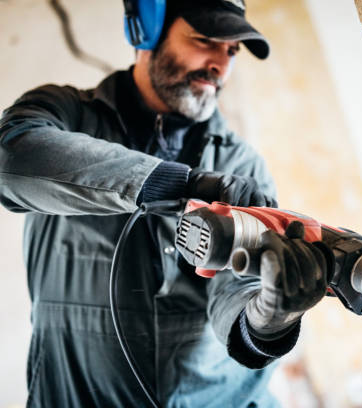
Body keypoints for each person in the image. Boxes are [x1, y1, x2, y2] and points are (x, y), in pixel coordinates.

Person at [0, 0, 329, 406]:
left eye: (231, 51)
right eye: (205, 40)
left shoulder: (241, 164)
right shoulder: (66, 115)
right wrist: (182, 183)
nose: (220, 65)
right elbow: (10, 159)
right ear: (146, 31)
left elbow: (236, 285)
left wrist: (266, 318)